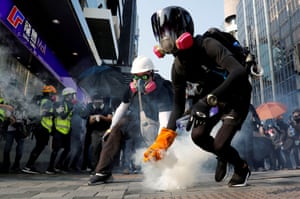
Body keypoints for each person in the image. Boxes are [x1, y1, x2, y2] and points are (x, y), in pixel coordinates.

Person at [145, 6, 252, 187]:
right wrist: (162, 142)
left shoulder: (208, 45)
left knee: (220, 144)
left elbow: (239, 72)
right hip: (214, 100)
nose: (166, 38)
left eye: (170, 31)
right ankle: (222, 155)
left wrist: (205, 101)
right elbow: (178, 107)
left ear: (184, 30)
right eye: (163, 33)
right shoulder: (177, 68)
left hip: (237, 96)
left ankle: (241, 168)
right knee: (198, 136)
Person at [88, 55, 173, 185]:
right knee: (118, 127)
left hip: (159, 124)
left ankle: (167, 171)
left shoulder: (162, 89)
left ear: (152, 74)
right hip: (138, 120)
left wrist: (160, 144)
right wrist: (111, 128)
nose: (139, 82)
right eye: (136, 77)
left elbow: (165, 120)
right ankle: (102, 172)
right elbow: (122, 108)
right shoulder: (131, 88)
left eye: (144, 77)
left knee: (163, 147)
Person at [22, 85, 57, 174]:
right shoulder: (48, 102)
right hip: (43, 127)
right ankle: (28, 166)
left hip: (38, 126)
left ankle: (29, 166)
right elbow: (44, 113)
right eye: (53, 94)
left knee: (38, 146)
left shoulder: (41, 100)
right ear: (49, 94)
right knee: (39, 147)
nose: (54, 96)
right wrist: (54, 113)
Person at [46, 87, 76, 174]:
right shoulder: (60, 104)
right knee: (56, 149)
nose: (73, 97)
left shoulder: (69, 104)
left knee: (67, 149)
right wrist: (71, 109)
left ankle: (59, 166)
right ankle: (50, 168)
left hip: (66, 131)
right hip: (58, 130)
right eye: (72, 95)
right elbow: (62, 116)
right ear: (67, 95)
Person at [81, 94, 113, 172]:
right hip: (93, 131)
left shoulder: (107, 108)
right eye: (95, 101)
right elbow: (89, 120)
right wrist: (95, 117)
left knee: (105, 149)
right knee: (95, 149)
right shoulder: (89, 107)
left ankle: (104, 167)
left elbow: (110, 119)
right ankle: (95, 168)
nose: (97, 102)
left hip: (105, 131)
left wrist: (101, 117)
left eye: (99, 101)